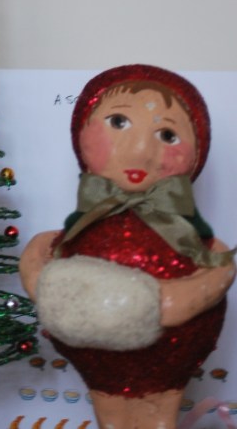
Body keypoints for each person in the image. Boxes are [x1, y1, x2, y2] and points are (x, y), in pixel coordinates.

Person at [19, 64, 235, 429]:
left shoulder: (194, 238)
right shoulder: (74, 232)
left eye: (167, 134)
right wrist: (41, 274)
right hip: (96, 360)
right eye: (118, 123)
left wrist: (179, 297)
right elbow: (38, 260)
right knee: (112, 416)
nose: (140, 152)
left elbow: (219, 267)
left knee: (160, 414)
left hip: (172, 359)